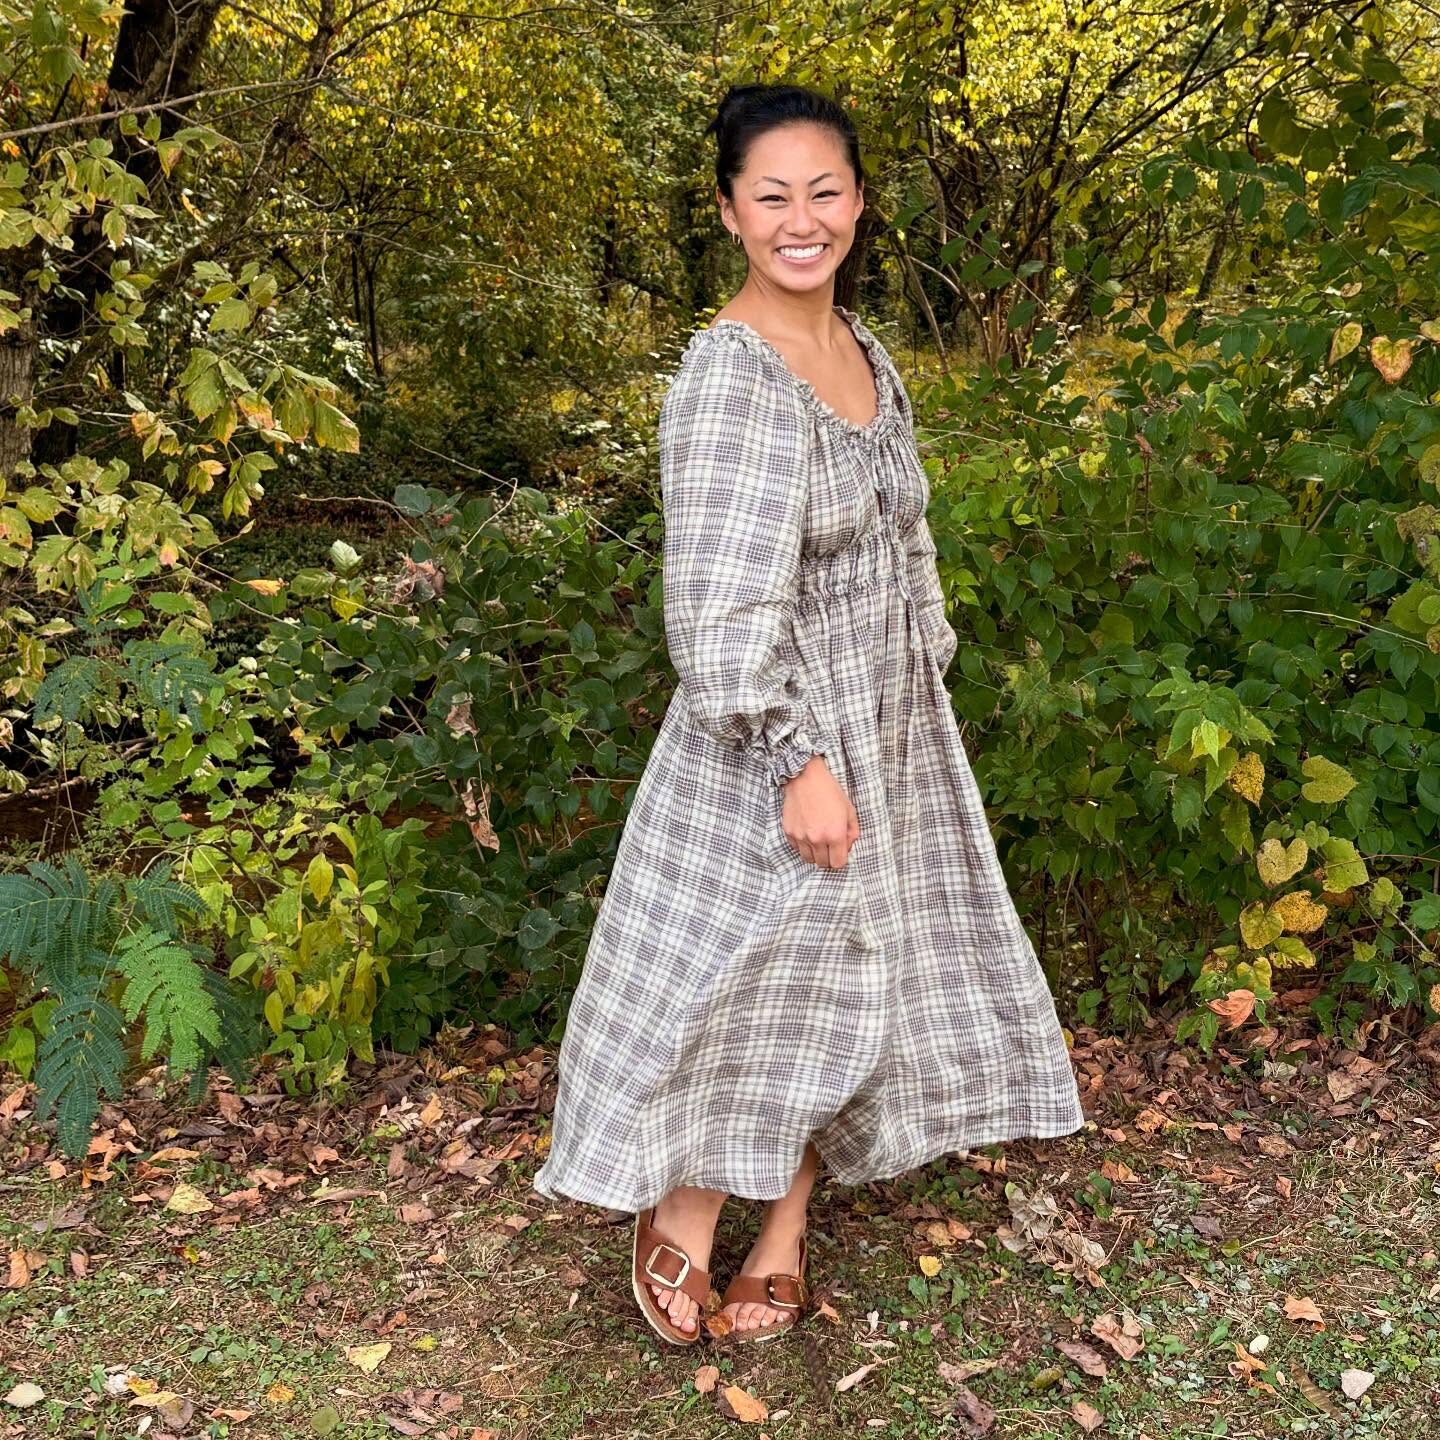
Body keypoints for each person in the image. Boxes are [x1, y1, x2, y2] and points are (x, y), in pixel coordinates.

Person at [531, 82, 1085, 1346]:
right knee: (754, 975)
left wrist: (922, 678)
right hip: (776, 738)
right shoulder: (732, 377)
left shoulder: (866, 351)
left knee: (858, 973)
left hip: (887, 722)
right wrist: (798, 759)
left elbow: (909, 536)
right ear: (730, 213)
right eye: (771, 195)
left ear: (859, 203)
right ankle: (682, 1207)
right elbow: (718, 603)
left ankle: (783, 1227)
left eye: (824, 192)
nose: (802, 219)